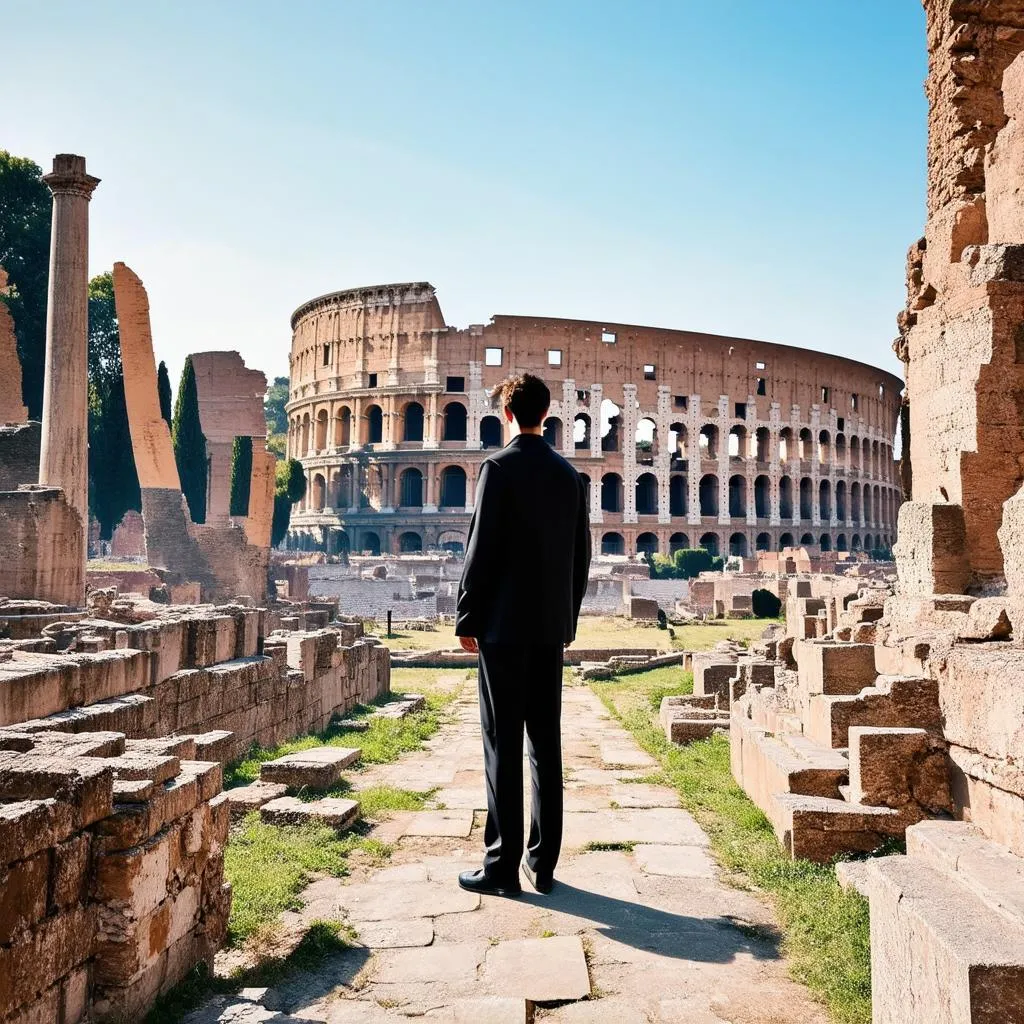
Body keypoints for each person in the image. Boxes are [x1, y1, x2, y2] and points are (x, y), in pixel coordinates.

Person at [454, 373, 591, 897]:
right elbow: (581, 558)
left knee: (501, 743)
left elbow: (480, 549)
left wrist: (468, 616)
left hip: (502, 628)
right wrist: (567, 619)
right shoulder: (569, 477)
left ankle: (501, 865)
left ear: (506, 414)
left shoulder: (498, 469)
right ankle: (544, 864)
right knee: (545, 744)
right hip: (549, 629)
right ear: (545, 414)